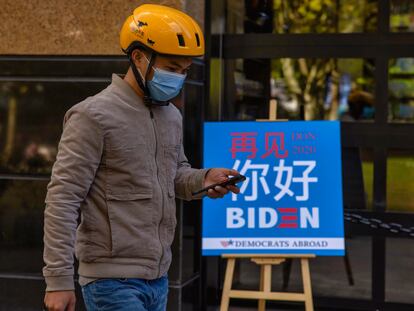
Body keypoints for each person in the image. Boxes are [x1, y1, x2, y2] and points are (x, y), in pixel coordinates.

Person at [43, 4, 240, 311]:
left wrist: (204, 179)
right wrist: (58, 280)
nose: (178, 78)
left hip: (158, 277)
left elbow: (174, 175)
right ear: (138, 57)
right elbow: (62, 199)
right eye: (171, 69)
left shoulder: (171, 116)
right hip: (111, 282)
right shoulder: (92, 116)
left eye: (184, 71)